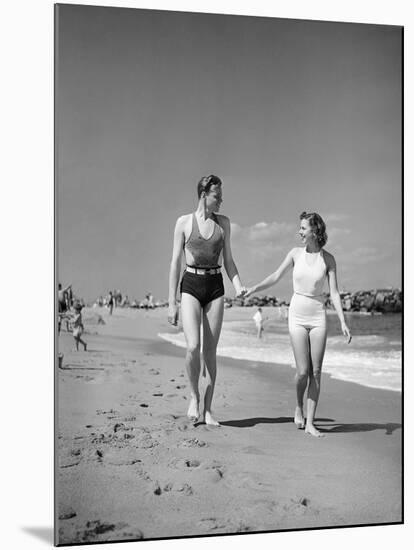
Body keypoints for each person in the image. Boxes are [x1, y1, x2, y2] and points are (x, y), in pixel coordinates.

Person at [245, 211, 351, 438]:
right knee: (302, 371)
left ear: (315, 230)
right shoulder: (295, 254)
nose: (299, 232)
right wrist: (254, 288)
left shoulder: (329, 259)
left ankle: (311, 422)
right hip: (297, 314)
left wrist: (342, 321)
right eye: (300, 228)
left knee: (316, 371)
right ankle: (298, 406)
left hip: (318, 315)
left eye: (303, 228)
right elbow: (275, 276)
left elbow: (333, 293)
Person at [168, 175, 246, 426]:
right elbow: (174, 263)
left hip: (215, 286)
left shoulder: (224, 224)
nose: (221, 200)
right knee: (193, 346)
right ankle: (194, 397)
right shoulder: (183, 222)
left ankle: (209, 410)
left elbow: (230, 261)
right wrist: (171, 302)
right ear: (204, 194)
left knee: (210, 352)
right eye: (217, 195)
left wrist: (238, 285)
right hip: (191, 284)